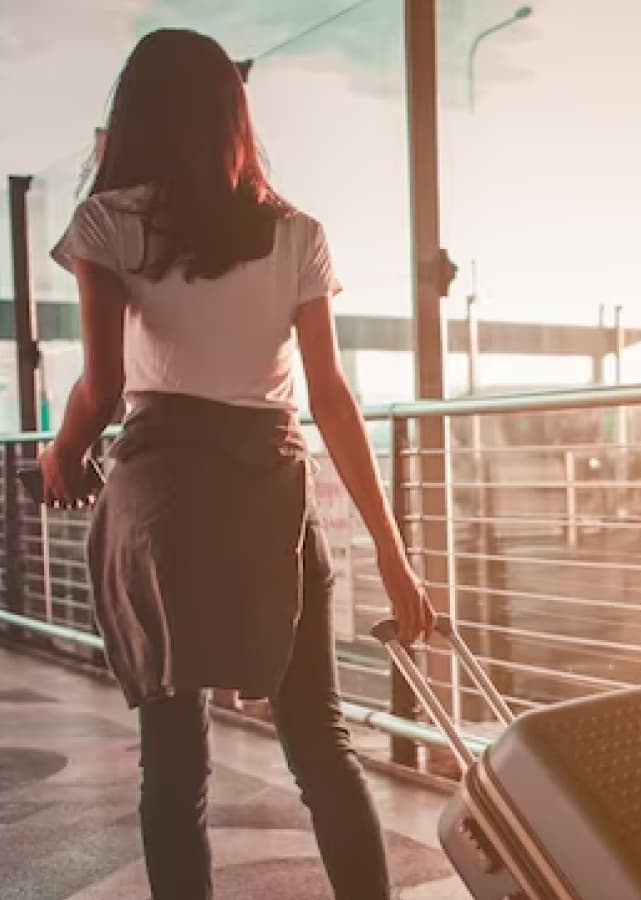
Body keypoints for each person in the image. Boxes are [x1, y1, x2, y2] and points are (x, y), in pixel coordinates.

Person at [38, 28, 433, 900]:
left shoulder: (107, 223)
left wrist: (61, 452)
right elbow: (330, 401)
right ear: (233, 115)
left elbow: (102, 388)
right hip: (270, 505)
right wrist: (393, 555)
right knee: (322, 745)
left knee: (174, 769)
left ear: (133, 115)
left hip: (164, 514)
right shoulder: (297, 234)